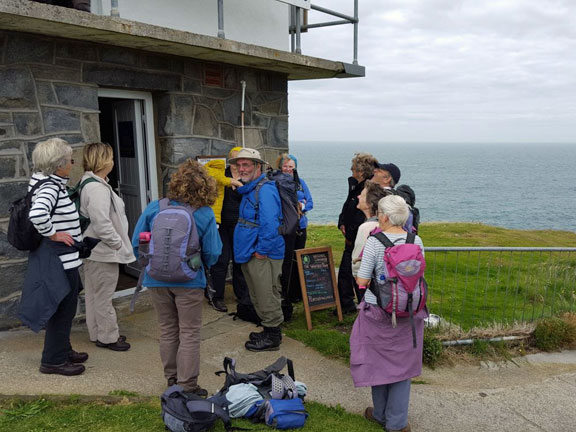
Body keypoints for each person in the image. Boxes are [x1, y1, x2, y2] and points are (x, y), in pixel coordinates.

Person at [131, 159, 222, 397]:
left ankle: (171, 380)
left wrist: (150, 265)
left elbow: (137, 243)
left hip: (156, 279)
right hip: (190, 281)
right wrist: (202, 266)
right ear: (205, 186)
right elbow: (213, 252)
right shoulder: (204, 213)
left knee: (168, 329)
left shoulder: (154, 208)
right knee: (190, 332)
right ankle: (187, 385)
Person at [351, 195, 426, 432]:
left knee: (378, 363)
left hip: (378, 310)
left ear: (384, 216)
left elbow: (362, 279)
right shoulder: (417, 240)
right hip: (410, 310)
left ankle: (381, 414)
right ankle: (397, 423)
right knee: (402, 368)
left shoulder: (375, 242)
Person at [24, 138, 88, 376]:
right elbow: (38, 214)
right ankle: (53, 361)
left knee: (63, 308)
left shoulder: (45, 182)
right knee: (63, 309)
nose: (72, 163)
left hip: (61, 260)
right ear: (59, 164)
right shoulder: (51, 187)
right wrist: (54, 234)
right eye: (70, 160)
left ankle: (63, 349)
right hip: (61, 262)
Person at [80, 142, 135, 351]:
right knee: (103, 296)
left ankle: (98, 332)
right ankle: (109, 337)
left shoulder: (92, 183)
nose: (113, 161)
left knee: (94, 294)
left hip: (95, 250)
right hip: (103, 251)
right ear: (104, 161)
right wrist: (117, 243)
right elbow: (102, 223)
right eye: (110, 157)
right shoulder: (97, 189)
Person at [229, 148, 284, 351]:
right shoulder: (249, 188)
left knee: (265, 293)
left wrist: (261, 251)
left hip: (262, 253)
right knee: (257, 293)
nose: (241, 169)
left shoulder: (265, 190)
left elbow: (270, 224)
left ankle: (273, 336)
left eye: (246, 165)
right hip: (251, 250)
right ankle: (268, 328)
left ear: (258, 167)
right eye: (239, 165)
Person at [337, 152, 377, 313]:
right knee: (345, 275)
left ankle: (363, 307)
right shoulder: (355, 186)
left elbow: (360, 216)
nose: (351, 169)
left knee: (355, 275)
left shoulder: (366, 190)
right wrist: (341, 223)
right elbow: (347, 207)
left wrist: (350, 235)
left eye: (353, 167)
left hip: (356, 240)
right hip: (351, 237)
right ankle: (347, 305)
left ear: (360, 171)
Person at [205, 150, 243, 313]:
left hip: (240, 225)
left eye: (242, 160)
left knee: (240, 260)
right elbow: (207, 172)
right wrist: (229, 180)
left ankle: (241, 295)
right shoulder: (221, 172)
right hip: (220, 225)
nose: (238, 163)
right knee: (220, 260)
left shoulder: (247, 176)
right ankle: (216, 296)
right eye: (235, 159)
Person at [276, 153, 313, 304]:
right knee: (287, 260)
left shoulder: (300, 183)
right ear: (280, 167)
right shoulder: (276, 183)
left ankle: (297, 292)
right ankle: (286, 293)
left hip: (301, 226)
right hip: (286, 228)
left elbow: (310, 202)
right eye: (285, 166)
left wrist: (302, 206)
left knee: (299, 259)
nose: (288, 169)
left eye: (291, 166)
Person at [351, 180, 393, 278]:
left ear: (369, 204)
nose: (358, 197)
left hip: (369, 282)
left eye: (362, 195)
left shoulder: (366, 228)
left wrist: (357, 277)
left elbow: (356, 263)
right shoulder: (386, 224)